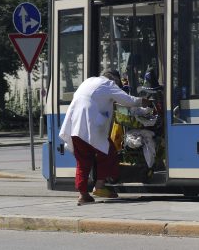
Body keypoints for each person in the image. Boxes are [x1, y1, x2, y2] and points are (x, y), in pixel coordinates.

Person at [59, 69, 150, 205]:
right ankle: (100, 185)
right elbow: (127, 100)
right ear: (114, 80)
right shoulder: (108, 84)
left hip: (75, 127)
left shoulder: (88, 81)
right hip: (92, 128)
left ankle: (83, 195)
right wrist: (143, 101)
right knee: (109, 153)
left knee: (83, 161)